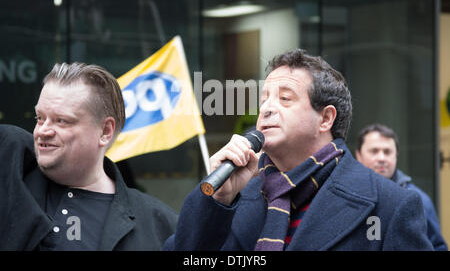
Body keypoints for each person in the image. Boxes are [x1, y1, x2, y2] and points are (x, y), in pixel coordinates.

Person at [164, 48, 433, 251]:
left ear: (326, 118)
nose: (267, 108)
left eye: (284, 99)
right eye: (264, 99)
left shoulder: (389, 205)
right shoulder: (238, 196)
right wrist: (218, 200)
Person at [0, 62, 177, 250]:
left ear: (105, 131)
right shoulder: (10, 168)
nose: (43, 131)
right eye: (40, 118)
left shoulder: (159, 225)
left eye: (62, 121)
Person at [355, 123, 448, 251]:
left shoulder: (417, 199)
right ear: (358, 155)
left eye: (387, 152)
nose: (381, 158)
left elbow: (438, 247)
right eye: (374, 151)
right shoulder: (347, 196)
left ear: (396, 155)